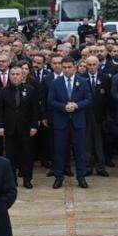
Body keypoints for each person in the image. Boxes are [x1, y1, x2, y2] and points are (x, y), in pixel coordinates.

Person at [47, 57, 91, 189]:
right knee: (59, 151)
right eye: (64, 67)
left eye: (69, 67)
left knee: (80, 151)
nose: (67, 70)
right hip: (61, 122)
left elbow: (88, 99)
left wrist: (76, 105)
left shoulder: (82, 81)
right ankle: (59, 177)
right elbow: (51, 101)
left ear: (74, 67)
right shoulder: (56, 83)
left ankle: (81, 177)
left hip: (78, 122)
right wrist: (63, 106)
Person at [0, 65, 39, 189]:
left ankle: (27, 179)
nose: (15, 76)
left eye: (17, 74)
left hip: (26, 129)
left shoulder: (30, 90)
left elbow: (35, 110)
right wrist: (0, 126)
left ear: (22, 75)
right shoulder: (3, 91)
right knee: (10, 156)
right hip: (10, 129)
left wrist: (34, 126)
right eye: (13, 74)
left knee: (27, 155)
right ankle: (12, 181)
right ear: (9, 76)